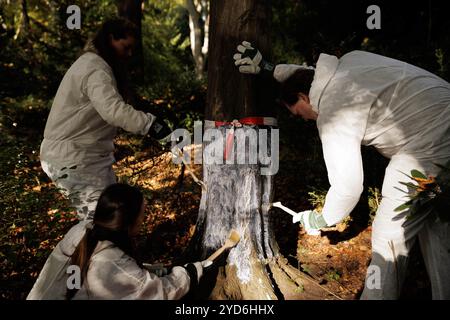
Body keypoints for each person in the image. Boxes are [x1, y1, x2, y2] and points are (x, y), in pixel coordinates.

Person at [233, 41, 450, 299]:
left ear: (304, 98)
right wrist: (269, 69)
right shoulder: (349, 62)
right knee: (434, 222)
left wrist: (320, 218)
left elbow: (348, 188)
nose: (301, 118)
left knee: (388, 234)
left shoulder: (333, 111)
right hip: (442, 125)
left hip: (431, 144)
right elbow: (309, 74)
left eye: (297, 112)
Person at [40, 18, 172, 221]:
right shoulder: (95, 68)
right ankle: (76, 253)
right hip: (73, 157)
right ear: (111, 38)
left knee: (108, 217)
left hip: (86, 157)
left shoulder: (95, 64)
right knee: (101, 222)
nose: (128, 54)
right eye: (125, 47)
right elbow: (113, 110)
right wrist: (150, 125)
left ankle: (97, 252)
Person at [27, 183, 210, 300]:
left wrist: (157, 270)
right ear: (129, 221)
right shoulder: (110, 261)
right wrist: (189, 274)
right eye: (142, 213)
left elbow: (120, 273)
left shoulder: (82, 230)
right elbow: (156, 292)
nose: (144, 218)